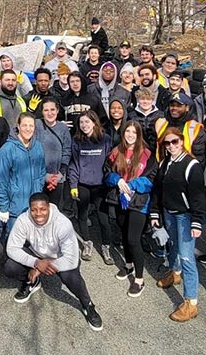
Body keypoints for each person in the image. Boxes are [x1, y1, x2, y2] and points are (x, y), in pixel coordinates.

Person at [3, 193, 102, 331]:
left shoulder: (62, 223)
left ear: (49, 207)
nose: (38, 214)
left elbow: (72, 259)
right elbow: (12, 248)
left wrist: (41, 266)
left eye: (42, 209)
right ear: (29, 209)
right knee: (10, 267)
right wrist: (36, 262)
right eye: (34, 210)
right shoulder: (23, 220)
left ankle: (88, 305)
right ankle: (31, 283)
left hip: (61, 257)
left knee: (71, 277)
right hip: (37, 255)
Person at [150, 127, 205, 318]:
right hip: (168, 212)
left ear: (181, 142)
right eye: (167, 143)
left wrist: (197, 221)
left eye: (175, 141)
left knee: (187, 256)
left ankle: (191, 302)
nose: (171, 145)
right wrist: (155, 213)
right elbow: (157, 190)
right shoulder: (164, 163)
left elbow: (198, 196)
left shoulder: (192, 165)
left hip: (185, 216)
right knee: (173, 245)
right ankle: (175, 273)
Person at [106, 121, 157, 297]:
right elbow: (106, 172)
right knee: (124, 233)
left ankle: (139, 279)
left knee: (133, 238)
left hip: (139, 201)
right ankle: (128, 265)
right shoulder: (116, 151)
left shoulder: (147, 153)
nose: (130, 135)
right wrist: (116, 180)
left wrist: (132, 184)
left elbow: (152, 178)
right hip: (121, 199)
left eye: (133, 132)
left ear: (138, 134)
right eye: (127, 131)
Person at [69, 111, 114, 263]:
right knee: (82, 215)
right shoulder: (76, 141)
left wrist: (110, 181)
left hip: (100, 186)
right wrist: (73, 185)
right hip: (82, 184)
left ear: (94, 122)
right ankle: (87, 243)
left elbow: (110, 162)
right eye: (81, 122)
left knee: (104, 220)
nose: (84, 125)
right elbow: (74, 165)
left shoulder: (105, 139)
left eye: (87, 122)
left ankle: (106, 247)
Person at [0, 113, 47, 232]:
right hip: (15, 207)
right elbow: (0, 179)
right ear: (18, 126)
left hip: (34, 206)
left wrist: (38, 188)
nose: (28, 129)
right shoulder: (7, 150)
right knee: (14, 242)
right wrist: (3, 206)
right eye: (24, 125)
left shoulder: (38, 147)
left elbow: (42, 171)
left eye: (31, 126)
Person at [34, 99, 72, 211]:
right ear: (42, 112)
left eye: (52, 109)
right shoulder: (37, 125)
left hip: (57, 177)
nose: (49, 113)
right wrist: (45, 176)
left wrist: (59, 174)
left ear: (57, 110)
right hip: (39, 176)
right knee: (38, 208)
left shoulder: (63, 128)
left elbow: (67, 150)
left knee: (54, 209)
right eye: (46, 110)